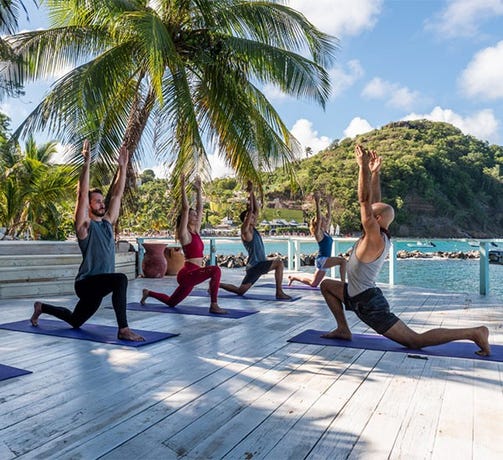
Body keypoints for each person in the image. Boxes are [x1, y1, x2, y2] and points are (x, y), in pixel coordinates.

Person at [319, 144, 490, 356]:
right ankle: (343, 329)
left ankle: (475, 333)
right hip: (356, 294)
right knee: (327, 285)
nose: (366, 215)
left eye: (371, 214)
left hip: (369, 304)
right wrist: (375, 173)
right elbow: (373, 202)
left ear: (377, 219)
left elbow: (364, 201)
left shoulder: (374, 238)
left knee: (414, 341)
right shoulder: (376, 233)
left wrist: (361, 166)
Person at [31, 140, 144, 341]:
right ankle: (123, 329)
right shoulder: (85, 227)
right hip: (86, 283)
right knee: (121, 279)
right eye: (97, 201)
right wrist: (86, 164)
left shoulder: (108, 223)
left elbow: (117, 194)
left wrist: (122, 167)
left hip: (99, 286)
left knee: (75, 320)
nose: (102, 204)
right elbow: (81, 195)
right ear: (89, 206)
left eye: (102, 201)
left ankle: (42, 307)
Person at [140, 175, 227, 314]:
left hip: (193, 274)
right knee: (216, 270)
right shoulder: (184, 234)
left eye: (195, 215)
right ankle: (214, 304)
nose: (195, 216)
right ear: (186, 219)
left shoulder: (196, 231)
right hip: (187, 274)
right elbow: (185, 208)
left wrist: (199, 190)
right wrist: (182, 185)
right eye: (192, 215)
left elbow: (200, 209)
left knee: (171, 302)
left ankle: (148, 293)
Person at [220, 181, 291, 300]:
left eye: (253, 217)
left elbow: (256, 210)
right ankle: (279, 292)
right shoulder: (245, 231)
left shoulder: (254, 229)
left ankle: (217, 284)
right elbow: (250, 213)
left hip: (256, 266)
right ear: (246, 219)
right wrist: (249, 203)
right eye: (251, 217)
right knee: (279, 263)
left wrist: (251, 192)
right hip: (256, 265)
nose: (254, 218)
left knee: (240, 291)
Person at [288, 191, 346, 287]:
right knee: (342, 261)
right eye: (323, 220)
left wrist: (329, 204)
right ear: (318, 223)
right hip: (322, 260)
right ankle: (343, 283)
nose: (325, 220)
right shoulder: (318, 233)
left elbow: (329, 217)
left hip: (324, 260)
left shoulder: (325, 232)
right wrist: (317, 202)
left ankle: (293, 277)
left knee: (313, 284)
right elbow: (318, 218)